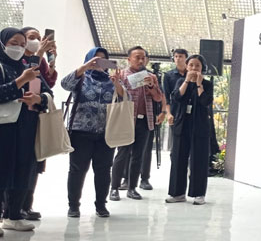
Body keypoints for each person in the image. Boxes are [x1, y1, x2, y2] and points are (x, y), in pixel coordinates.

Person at [61, 48, 125, 217]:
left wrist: (117, 84)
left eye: (104, 60)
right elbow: (64, 84)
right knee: (77, 170)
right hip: (80, 132)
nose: (99, 63)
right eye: (95, 60)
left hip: (106, 133)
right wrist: (84, 67)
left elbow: (126, 100)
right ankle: (73, 205)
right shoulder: (81, 78)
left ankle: (101, 205)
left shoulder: (112, 80)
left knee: (103, 170)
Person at [0, 28, 49, 232]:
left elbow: (47, 91)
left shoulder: (26, 67)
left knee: (23, 169)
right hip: (4, 128)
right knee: (2, 172)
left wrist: (39, 99)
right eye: (14, 43)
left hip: (26, 126)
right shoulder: (2, 67)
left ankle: (15, 214)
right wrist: (20, 81)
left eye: (22, 44)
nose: (18, 48)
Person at [110, 46, 163, 201]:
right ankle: (114, 188)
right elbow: (118, 95)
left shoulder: (151, 76)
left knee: (138, 156)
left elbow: (159, 98)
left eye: (143, 58)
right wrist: (117, 83)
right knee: (122, 153)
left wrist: (151, 87)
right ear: (129, 59)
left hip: (145, 120)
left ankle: (132, 188)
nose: (140, 60)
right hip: (127, 119)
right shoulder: (122, 75)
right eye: (137, 57)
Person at [18, 26, 57, 221]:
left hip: (34, 121)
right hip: (15, 122)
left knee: (33, 164)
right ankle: (10, 207)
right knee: (15, 163)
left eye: (39, 38)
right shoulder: (17, 63)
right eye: (32, 37)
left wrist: (40, 99)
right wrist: (40, 54)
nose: (37, 41)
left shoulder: (39, 64)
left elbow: (49, 89)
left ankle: (26, 204)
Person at [166, 54, 214, 205]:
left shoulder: (207, 84)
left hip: (200, 127)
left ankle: (199, 194)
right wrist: (187, 81)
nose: (194, 68)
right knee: (178, 158)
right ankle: (177, 193)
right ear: (186, 67)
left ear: (202, 68)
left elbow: (205, 101)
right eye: (191, 65)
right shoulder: (181, 81)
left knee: (199, 160)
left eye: (197, 66)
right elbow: (175, 97)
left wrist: (199, 85)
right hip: (182, 125)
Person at [163, 49, 188, 151]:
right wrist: (168, 114)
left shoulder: (191, 73)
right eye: (176, 56)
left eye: (181, 56)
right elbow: (166, 96)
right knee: (176, 143)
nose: (178, 59)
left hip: (189, 109)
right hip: (175, 110)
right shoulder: (169, 75)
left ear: (186, 58)